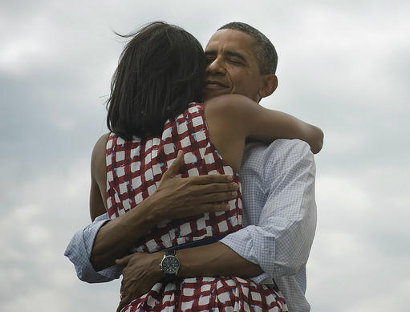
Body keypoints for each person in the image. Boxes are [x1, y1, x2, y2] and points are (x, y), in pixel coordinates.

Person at [65, 21, 321, 311]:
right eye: (207, 59)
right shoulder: (211, 123)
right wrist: (155, 207)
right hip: (228, 300)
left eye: (234, 60)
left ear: (267, 85)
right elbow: (94, 252)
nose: (213, 68)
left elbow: (281, 247)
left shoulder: (285, 154)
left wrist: (164, 262)